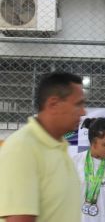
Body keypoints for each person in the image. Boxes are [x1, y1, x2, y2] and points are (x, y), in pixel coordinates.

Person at [0, 72, 85, 222]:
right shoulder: (22, 149)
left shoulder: (59, 147)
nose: (84, 112)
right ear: (53, 104)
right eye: (78, 104)